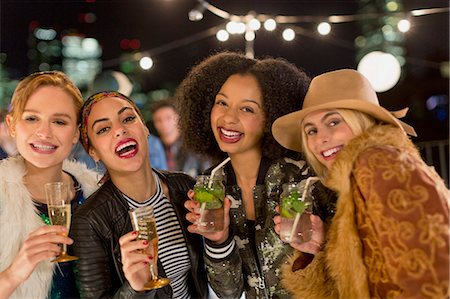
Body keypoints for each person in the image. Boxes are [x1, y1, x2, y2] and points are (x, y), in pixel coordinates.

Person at [272, 69, 450, 298]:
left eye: (334, 122)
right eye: (311, 130)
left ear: (361, 121)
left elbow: (432, 272)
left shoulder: (379, 163)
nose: (321, 138)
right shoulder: (361, 177)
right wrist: (323, 245)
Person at [176, 51, 336, 298]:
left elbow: (354, 267)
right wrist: (218, 241)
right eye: (221, 102)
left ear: (272, 115)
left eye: (248, 109)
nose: (228, 118)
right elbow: (228, 292)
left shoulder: (307, 178)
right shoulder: (211, 185)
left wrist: (326, 244)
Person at [71, 91, 208, 298]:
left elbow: (224, 287)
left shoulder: (184, 186)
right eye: (104, 129)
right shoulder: (89, 221)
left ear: (144, 128)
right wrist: (136, 289)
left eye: (128, 118)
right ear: (93, 152)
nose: (119, 130)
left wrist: (218, 240)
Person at [0, 71, 98, 299]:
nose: (44, 133)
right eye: (32, 118)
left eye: (59, 121)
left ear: (75, 133)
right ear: (12, 125)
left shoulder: (96, 193)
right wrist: (15, 273)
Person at [152, 98, 208, 177]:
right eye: (158, 120)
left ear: (177, 118)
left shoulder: (194, 146)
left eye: (168, 118)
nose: (164, 123)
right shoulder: (153, 149)